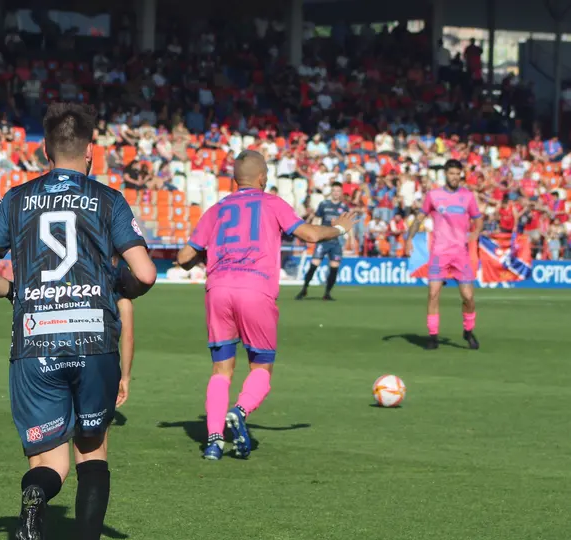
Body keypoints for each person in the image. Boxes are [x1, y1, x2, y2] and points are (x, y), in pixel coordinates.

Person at [0, 103, 157, 540]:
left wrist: (13, 292)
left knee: (49, 462)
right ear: (90, 152)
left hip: (35, 341)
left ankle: (34, 498)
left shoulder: (17, 199)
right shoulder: (108, 199)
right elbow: (146, 273)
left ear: (45, 153)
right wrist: (120, 287)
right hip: (93, 340)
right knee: (92, 451)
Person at [177, 150, 360, 461]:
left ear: (235, 179)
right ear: (262, 178)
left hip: (218, 289)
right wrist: (340, 229)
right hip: (255, 288)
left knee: (221, 370)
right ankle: (240, 410)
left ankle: (214, 442)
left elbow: (183, 258)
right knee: (261, 367)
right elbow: (310, 234)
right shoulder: (272, 203)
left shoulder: (216, 209)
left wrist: (207, 256)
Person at [402, 159, 483, 350]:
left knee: (468, 297)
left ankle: (468, 330)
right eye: (451, 173)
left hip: (460, 253)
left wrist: (475, 234)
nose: (455, 177)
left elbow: (478, 220)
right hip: (439, 253)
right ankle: (433, 336)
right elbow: (419, 218)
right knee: (433, 294)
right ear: (445, 174)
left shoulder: (467, 196)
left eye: (458, 174)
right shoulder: (433, 195)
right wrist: (409, 239)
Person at [296, 181, 350, 301]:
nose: (336, 193)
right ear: (331, 192)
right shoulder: (324, 204)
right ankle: (304, 289)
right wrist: (312, 234)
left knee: (334, 268)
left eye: (338, 191)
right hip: (323, 240)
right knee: (314, 265)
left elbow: (347, 224)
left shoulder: (344, 207)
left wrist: (350, 238)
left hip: (335, 241)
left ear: (341, 192)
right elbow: (316, 219)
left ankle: (327, 293)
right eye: (334, 190)